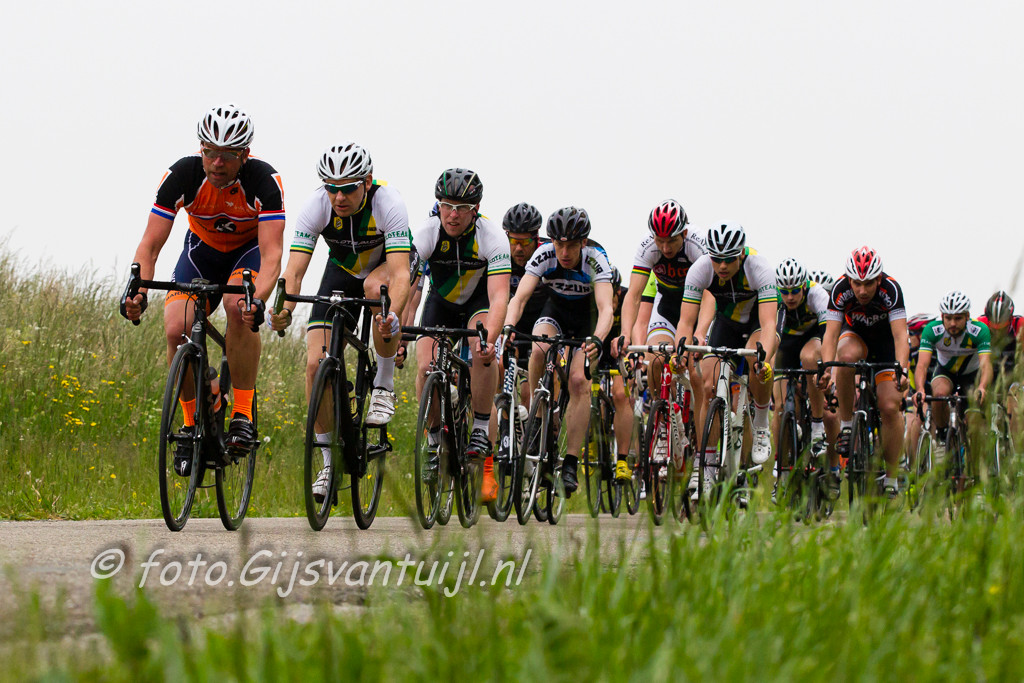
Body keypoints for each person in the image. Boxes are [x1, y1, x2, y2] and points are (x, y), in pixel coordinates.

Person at [122, 103, 284, 474]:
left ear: (245, 154)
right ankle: (191, 422)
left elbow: (273, 255)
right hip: (200, 254)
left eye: (227, 155)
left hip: (248, 254)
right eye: (210, 152)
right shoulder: (183, 174)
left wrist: (256, 300)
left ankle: (242, 412)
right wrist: (138, 291)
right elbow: (150, 245)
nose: (217, 162)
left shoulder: (264, 180)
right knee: (175, 328)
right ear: (201, 149)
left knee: (237, 306)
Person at [268, 142, 411, 501]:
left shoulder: (388, 203)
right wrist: (282, 309)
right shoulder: (316, 205)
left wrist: (391, 315)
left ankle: (383, 384)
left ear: (366, 182)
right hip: (342, 270)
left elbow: (400, 274)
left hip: (385, 268)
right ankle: (329, 464)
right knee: (315, 365)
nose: (339, 196)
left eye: (347, 188)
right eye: (331, 188)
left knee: (375, 288)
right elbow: (294, 272)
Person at [412, 169, 510, 504]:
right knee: (425, 368)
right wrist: (398, 327)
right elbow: (409, 286)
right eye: (447, 205)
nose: (453, 214)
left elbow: (500, 296)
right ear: (438, 205)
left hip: (477, 304)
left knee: (480, 349)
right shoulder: (426, 232)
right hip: (440, 304)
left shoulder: (492, 237)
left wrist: (490, 339)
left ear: (476, 208)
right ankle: (433, 440)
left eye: (462, 207)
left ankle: (480, 428)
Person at [503, 207, 615, 496]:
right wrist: (508, 326)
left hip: (587, 321)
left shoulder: (596, 259)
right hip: (556, 313)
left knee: (578, 381)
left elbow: (606, 309)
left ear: (583, 243)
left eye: (571, 245)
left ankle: (571, 463)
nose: (564, 252)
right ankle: (538, 420)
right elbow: (520, 298)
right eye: (558, 244)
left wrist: (598, 339)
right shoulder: (544, 255)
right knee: (539, 348)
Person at [674, 222, 779, 500]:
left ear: (741, 254)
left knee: (757, 361)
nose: (722, 266)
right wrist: (681, 351)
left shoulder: (759, 268)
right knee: (707, 384)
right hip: (727, 324)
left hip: (757, 324)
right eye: (717, 259)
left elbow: (769, 324)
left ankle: (760, 424)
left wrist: (764, 359)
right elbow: (686, 321)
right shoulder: (701, 269)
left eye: (729, 259)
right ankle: (707, 467)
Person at [818, 246, 909, 499]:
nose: (862, 290)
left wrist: (902, 370)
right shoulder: (840, 290)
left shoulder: (891, 290)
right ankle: (847, 425)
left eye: (868, 283)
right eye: (857, 283)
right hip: (855, 337)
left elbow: (901, 336)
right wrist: (826, 368)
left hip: (885, 345)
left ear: (878, 279)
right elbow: (831, 335)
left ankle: (891, 477)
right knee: (845, 357)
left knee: (889, 407)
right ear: (849, 280)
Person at [616, 199, 708, 415]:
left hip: (698, 306)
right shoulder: (647, 246)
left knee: (696, 373)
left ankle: (700, 427)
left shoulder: (698, 243)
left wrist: (700, 332)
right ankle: (662, 417)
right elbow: (634, 295)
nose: (665, 248)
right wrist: (625, 334)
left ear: (684, 233)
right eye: (660, 241)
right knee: (655, 358)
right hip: (667, 305)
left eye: (672, 241)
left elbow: (709, 294)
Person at [770, 257, 837, 501]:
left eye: (795, 291)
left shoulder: (817, 294)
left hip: (812, 339)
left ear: (804, 286)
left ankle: (817, 425)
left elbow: (828, 335)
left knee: (809, 358)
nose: (790, 297)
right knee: (780, 407)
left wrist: (827, 369)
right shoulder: (774, 297)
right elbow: (771, 336)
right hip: (785, 343)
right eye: (785, 292)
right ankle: (782, 467)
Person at [913, 291, 992, 446]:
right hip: (946, 372)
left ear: (967, 316)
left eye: (958, 318)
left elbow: (986, 365)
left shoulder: (979, 330)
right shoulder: (932, 330)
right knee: (939, 394)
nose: (952, 323)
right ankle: (942, 435)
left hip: (971, 375)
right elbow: (922, 365)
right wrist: (920, 389)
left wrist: (982, 387)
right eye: (948, 318)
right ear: (942, 316)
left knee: (973, 422)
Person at [979, 290, 1024, 435]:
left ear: (1010, 319)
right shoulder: (980, 324)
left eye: (1002, 328)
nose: (998, 332)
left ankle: (1016, 447)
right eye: (994, 328)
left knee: (1014, 399)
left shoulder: (1020, 325)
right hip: (988, 372)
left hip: (1013, 373)